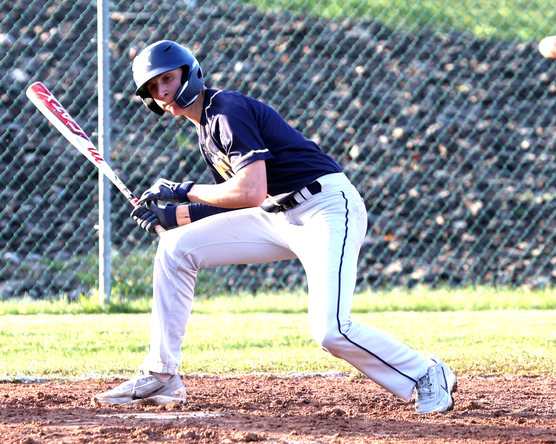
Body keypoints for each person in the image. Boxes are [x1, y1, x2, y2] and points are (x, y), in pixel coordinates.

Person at [92, 40, 457, 414]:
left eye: (167, 78)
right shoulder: (206, 128)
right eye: (153, 87)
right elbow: (232, 198)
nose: (163, 91)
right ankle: (162, 374)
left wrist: (182, 190)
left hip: (325, 208)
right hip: (278, 216)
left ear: (190, 72)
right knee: (176, 248)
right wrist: (171, 217)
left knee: (330, 330)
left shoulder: (226, 111)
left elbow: (250, 190)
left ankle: (426, 373)